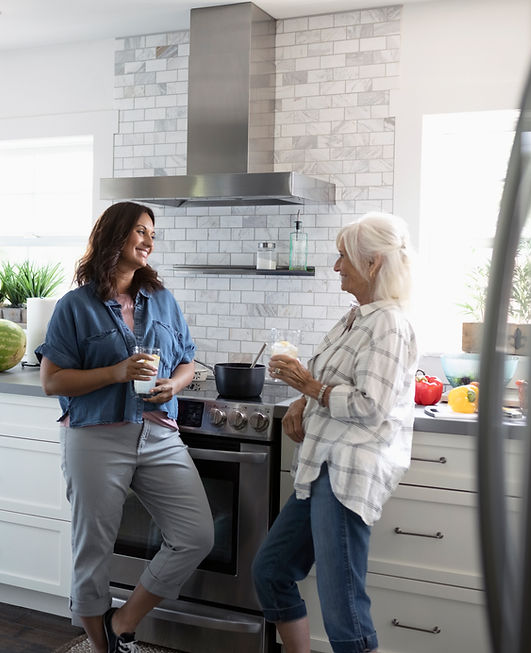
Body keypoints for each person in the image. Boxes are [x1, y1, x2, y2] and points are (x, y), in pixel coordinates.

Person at [36, 201, 213, 653]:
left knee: (195, 535)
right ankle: (102, 647)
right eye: (140, 230)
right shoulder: (75, 306)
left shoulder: (163, 300)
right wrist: (116, 372)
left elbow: (188, 361)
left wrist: (174, 384)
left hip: (158, 433)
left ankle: (123, 622)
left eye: (152, 233)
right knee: (92, 550)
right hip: (95, 435)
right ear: (114, 235)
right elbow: (52, 381)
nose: (148, 240)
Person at [252, 212, 418, 653]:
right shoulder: (356, 318)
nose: (336, 265)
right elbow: (329, 380)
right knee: (271, 571)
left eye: (343, 256)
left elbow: (371, 405)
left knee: (343, 607)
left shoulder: (389, 324)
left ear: (374, 263)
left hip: (346, 473)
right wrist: (302, 401)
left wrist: (309, 388)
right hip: (320, 467)